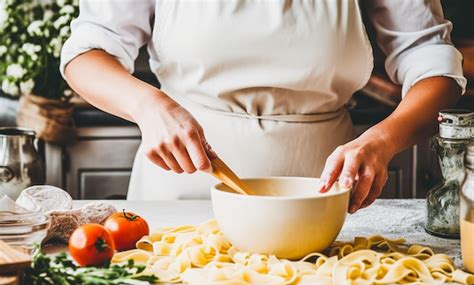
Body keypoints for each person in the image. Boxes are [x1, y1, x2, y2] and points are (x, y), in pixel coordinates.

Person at [60, 0, 465, 212]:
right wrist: (149, 105)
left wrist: (382, 140)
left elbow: (434, 64)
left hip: (324, 198)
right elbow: (87, 54)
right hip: (180, 196)